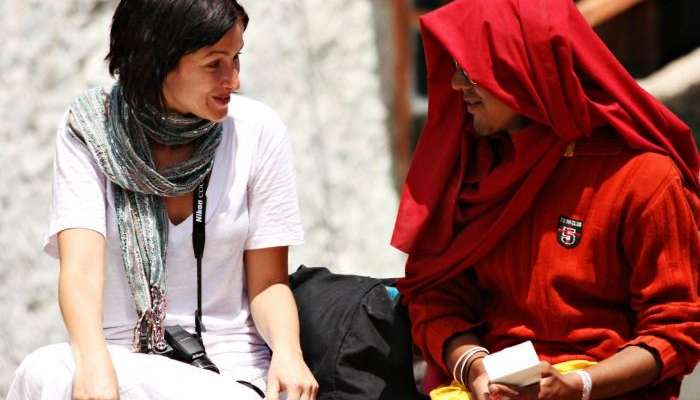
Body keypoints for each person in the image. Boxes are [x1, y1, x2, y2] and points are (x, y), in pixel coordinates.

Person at [8, 1, 318, 399]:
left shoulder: (258, 131)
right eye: (215, 64)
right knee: (43, 370)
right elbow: (81, 270)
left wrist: (289, 353)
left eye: (237, 58)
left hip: (227, 371)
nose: (234, 80)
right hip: (118, 359)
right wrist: (92, 363)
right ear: (158, 61)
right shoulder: (90, 131)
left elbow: (269, 283)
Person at [390, 0, 700, 399]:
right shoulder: (477, 169)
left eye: (469, 71)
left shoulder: (643, 177)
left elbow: (677, 328)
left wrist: (579, 385)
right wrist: (475, 366)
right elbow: (437, 296)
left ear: (521, 67)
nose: (455, 85)